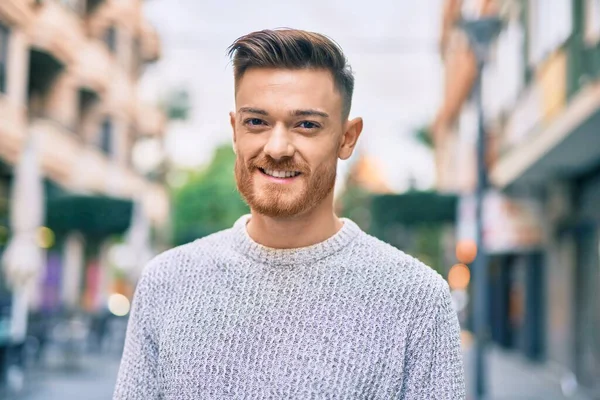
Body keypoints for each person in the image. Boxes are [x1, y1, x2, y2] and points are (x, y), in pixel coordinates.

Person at [114, 28, 465, 399]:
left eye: (306, 125)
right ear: (235, 131)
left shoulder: (418, 301)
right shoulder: (165, 284)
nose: (278, 147)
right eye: (256, 122)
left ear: (347, 138)